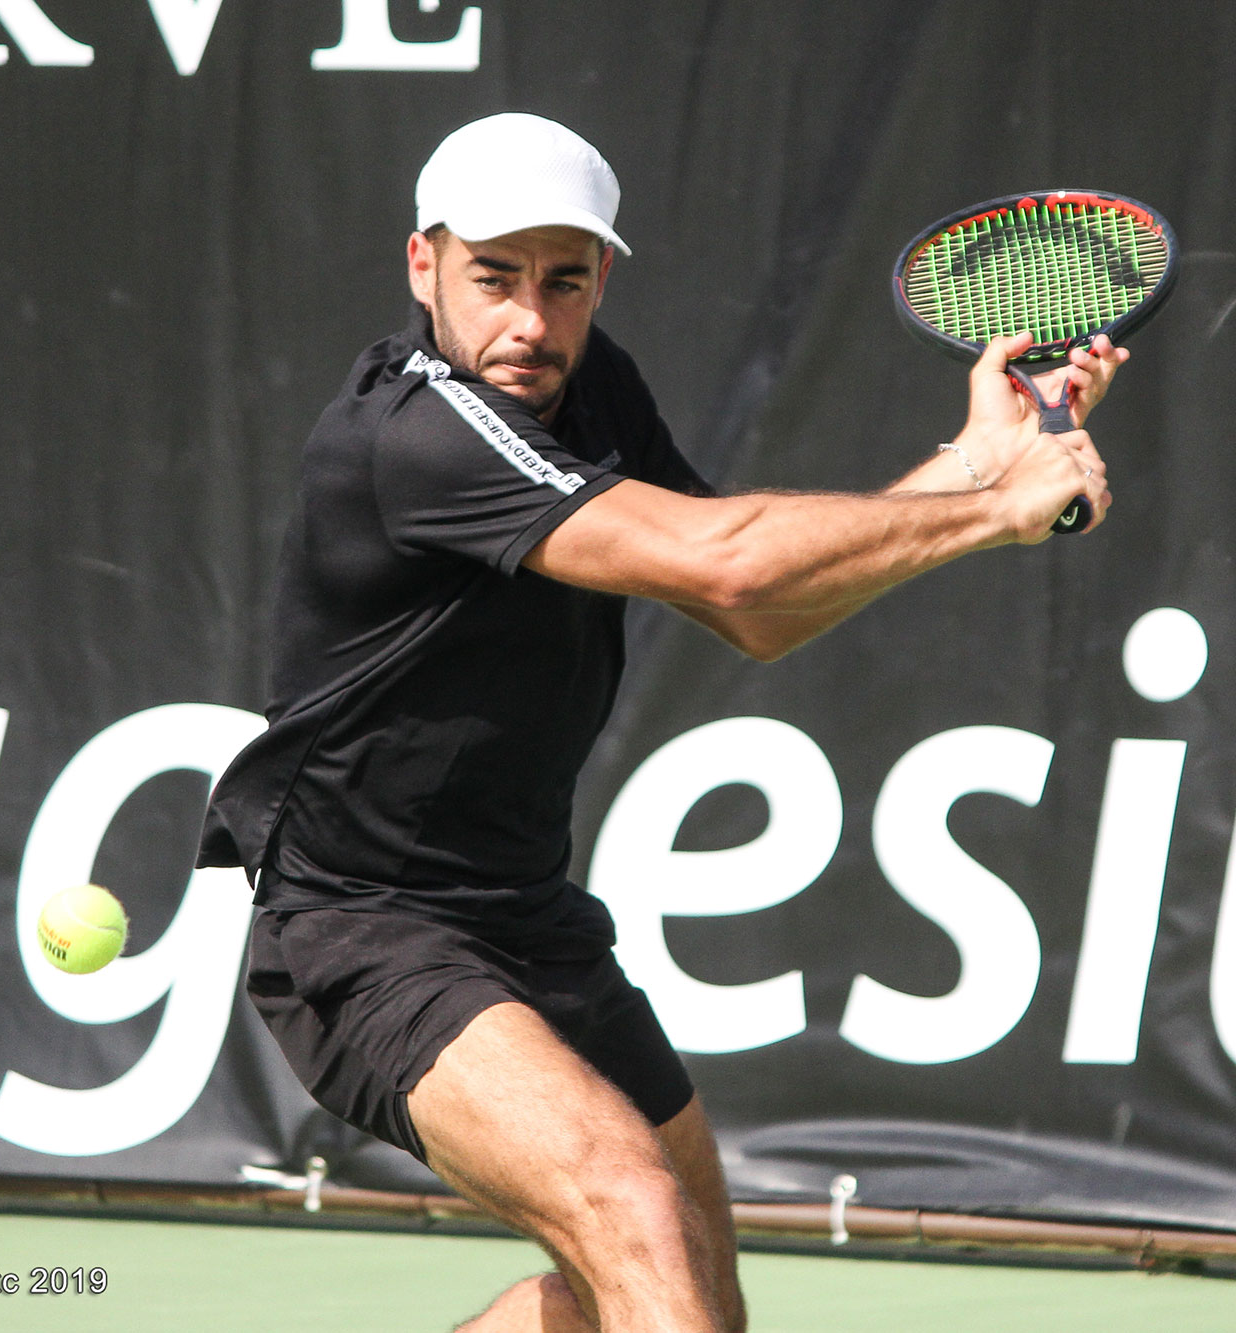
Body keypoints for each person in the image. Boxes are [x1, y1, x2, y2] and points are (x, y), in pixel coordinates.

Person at [197, 112, 1127, 1333]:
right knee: (628, 1202)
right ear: (423, 265)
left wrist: (970, 460)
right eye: (492, 277)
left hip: (526, 917)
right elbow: (727, 560)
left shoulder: (594, 389)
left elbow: (757, 612)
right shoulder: (412, 435)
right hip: (362, 932)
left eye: (563, 282)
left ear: (602, 278)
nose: (529, 321)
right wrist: (995, 508)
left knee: (677, 1286)